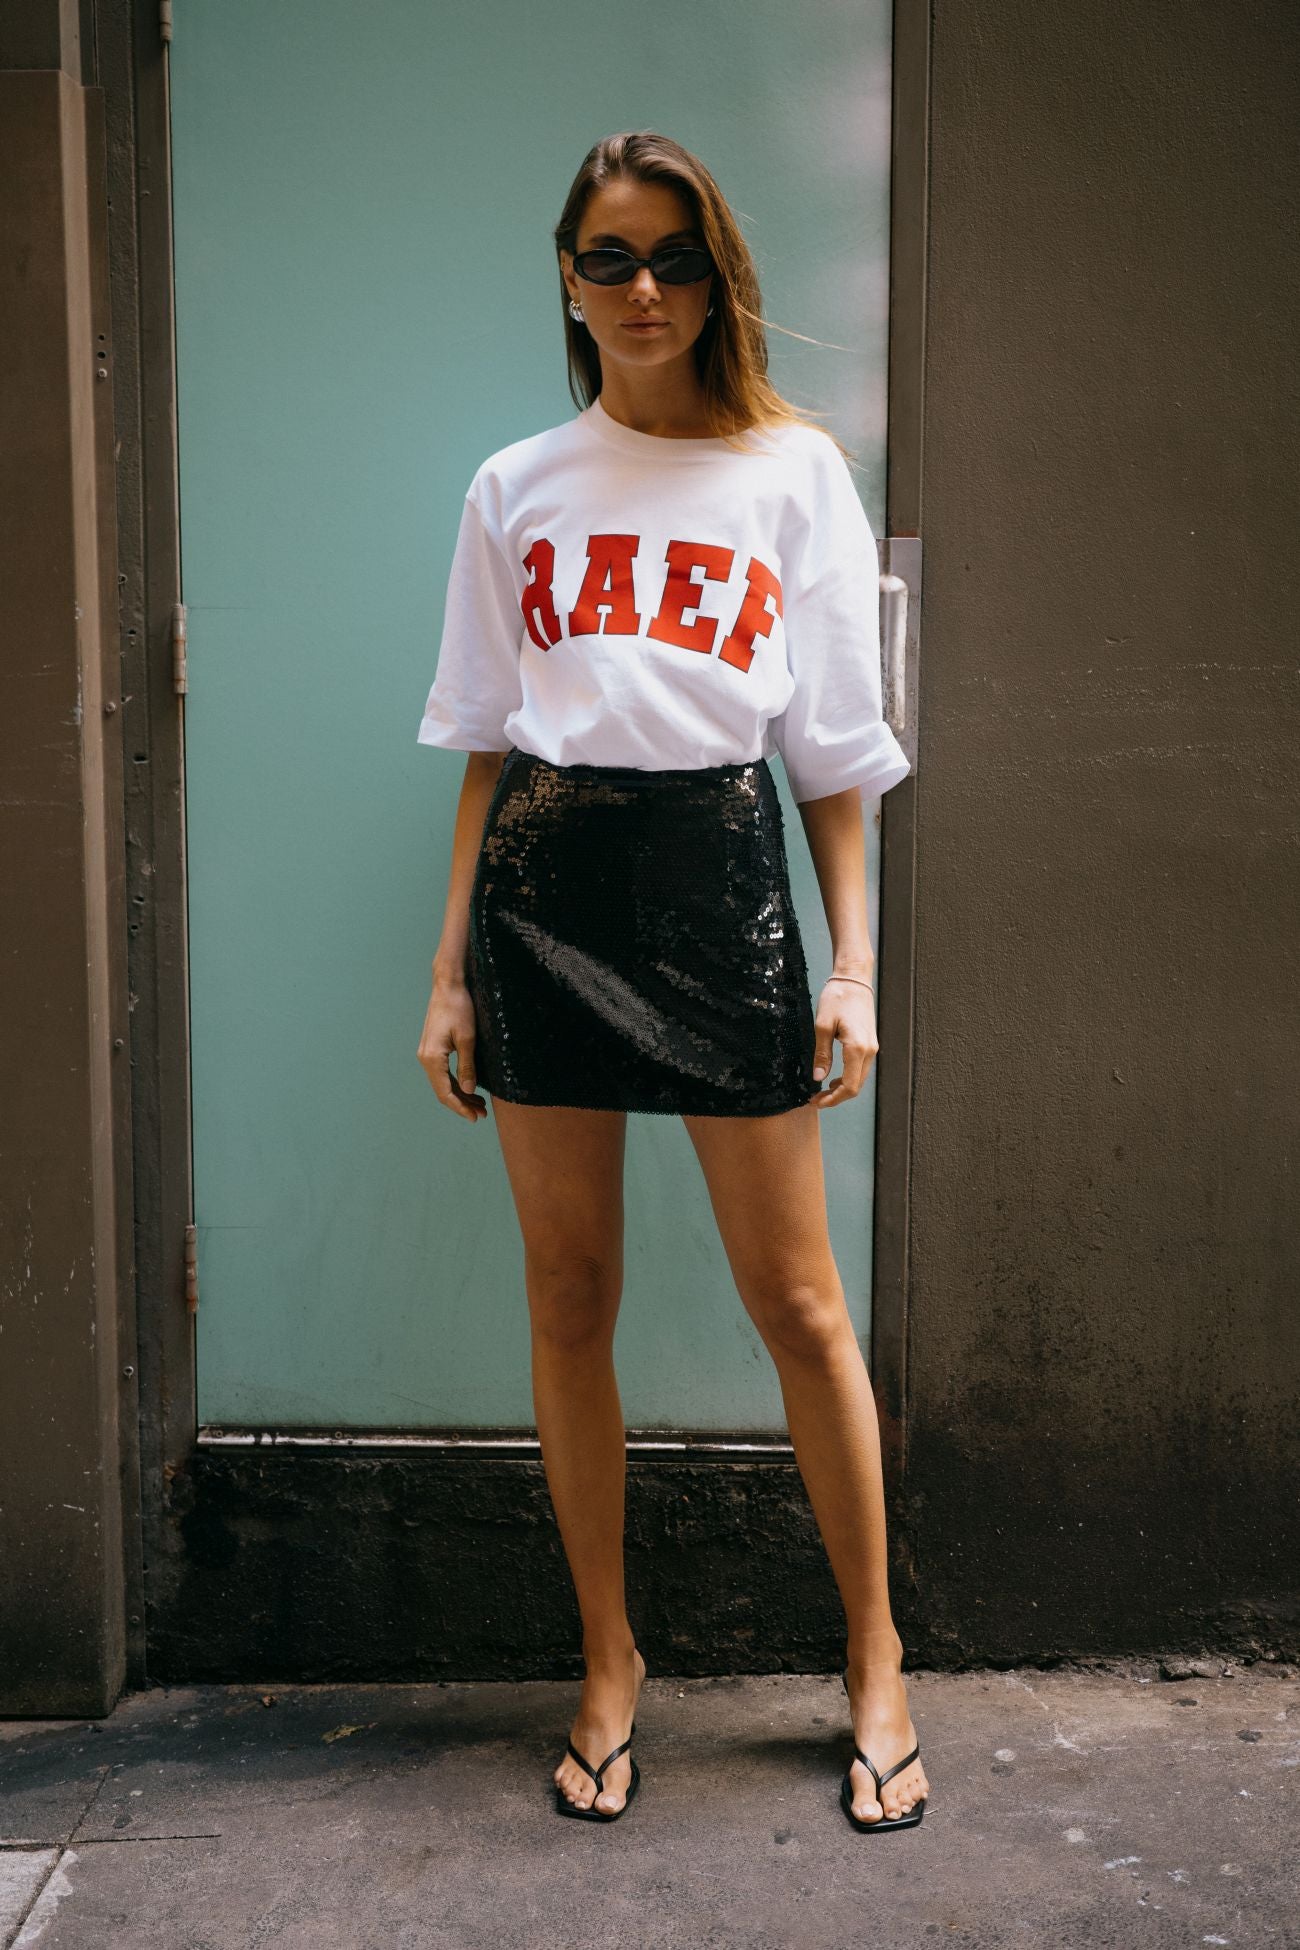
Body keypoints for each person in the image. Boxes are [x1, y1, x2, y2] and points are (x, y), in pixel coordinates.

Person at [415, 130, 928, 1834]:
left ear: (719, 279)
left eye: (676, 258)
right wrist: (451, 972)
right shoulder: (515, 486)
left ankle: (875, 1657)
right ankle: (610, 1658)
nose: (644, 289)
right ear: (568, 280)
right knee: (569, 1295)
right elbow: (486, 743)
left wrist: (853, 968)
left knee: (800, 1302)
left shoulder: (793, 471)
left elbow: (833, 756)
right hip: (547, 888)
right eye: (610, 258)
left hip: (720, 882)